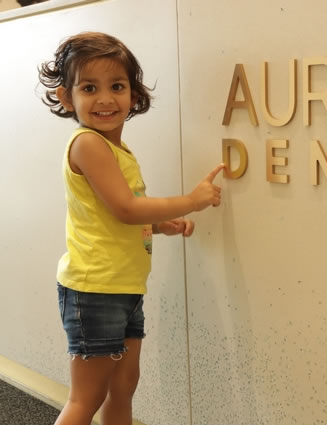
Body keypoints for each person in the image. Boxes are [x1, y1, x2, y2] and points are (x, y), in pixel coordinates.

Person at [38, 31, 224, 425]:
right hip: (95, 289)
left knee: (123, 387)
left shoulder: (115, 148)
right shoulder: (88, 144)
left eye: (117, 86)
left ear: (134, 95)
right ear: (66, 98)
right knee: (86, 398)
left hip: (122, 286)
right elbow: (125, 208)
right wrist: (193, 199)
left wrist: (159, 225)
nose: (106, 99)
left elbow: (114, 215)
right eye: (90, 88)